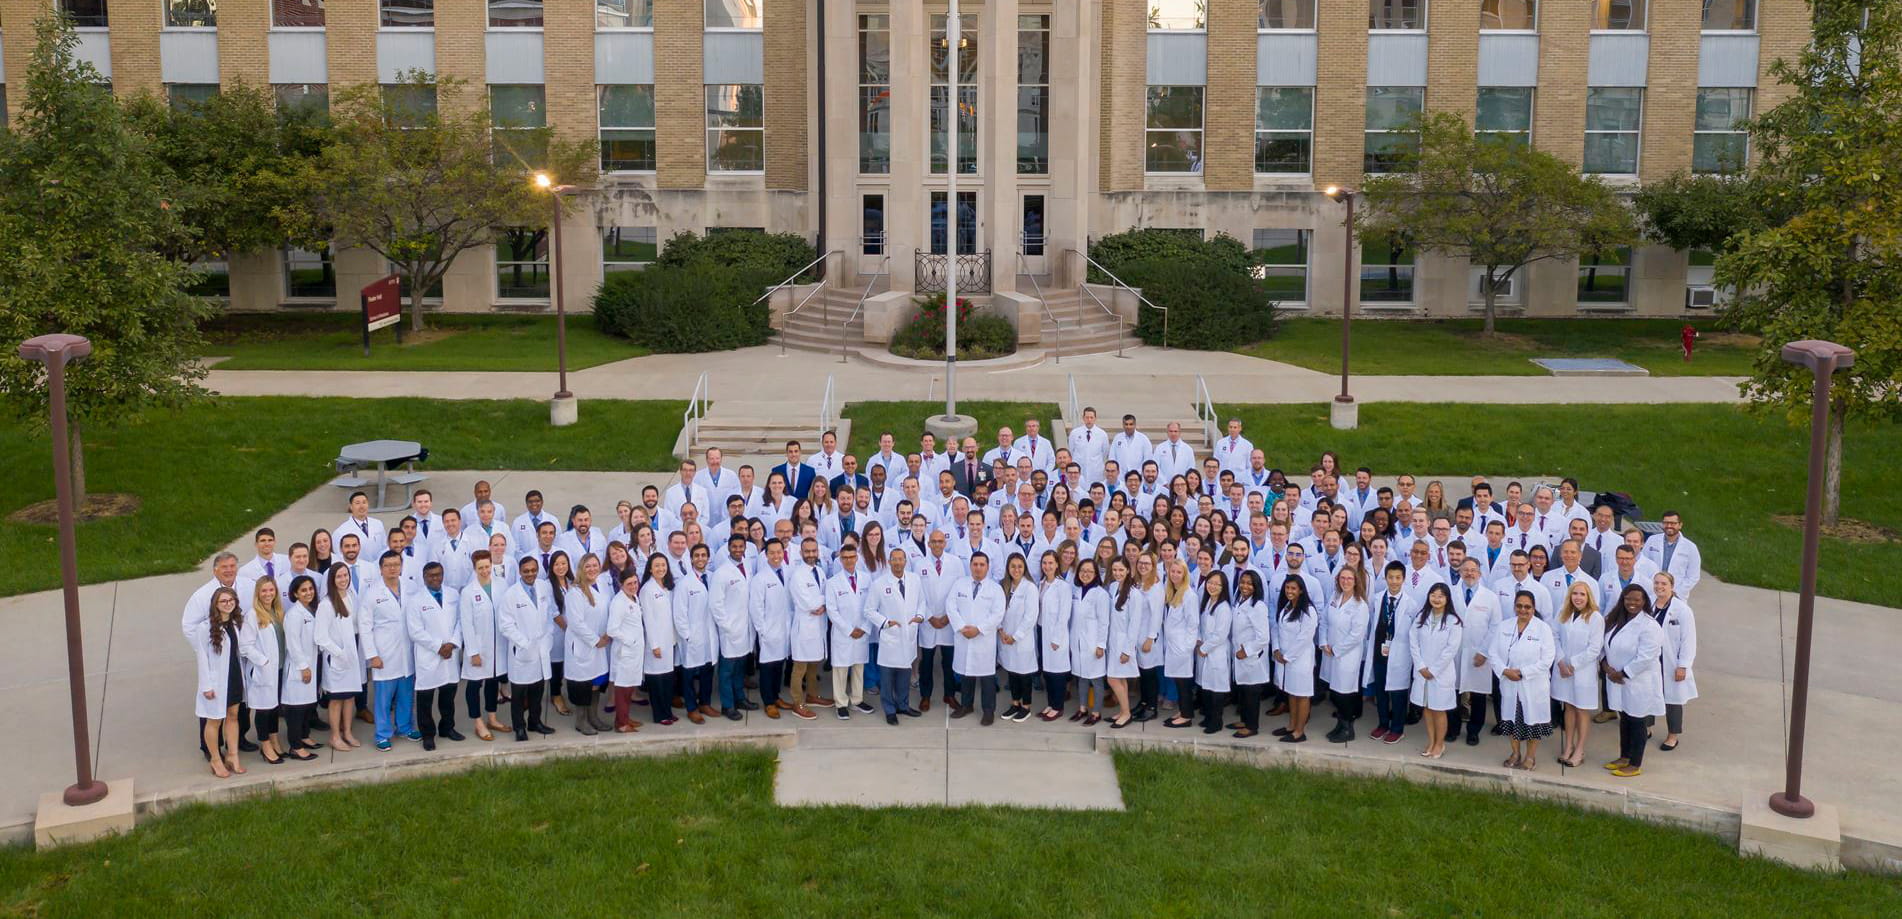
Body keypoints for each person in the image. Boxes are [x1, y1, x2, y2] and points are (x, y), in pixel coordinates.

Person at [1602, 584, 1665, 777]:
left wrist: (1622, 673)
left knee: (1637, 722)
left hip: (1638, 682)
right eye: (1628, 598)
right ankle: (1624, 757)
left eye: (1637, 599)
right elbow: (1605, 645)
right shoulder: (1616, 619)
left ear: (1644, 601)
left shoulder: (1649, 626)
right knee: (1625, 719)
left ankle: (1635, 764)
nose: (1632, 603)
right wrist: (1606, 666)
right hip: (1617, 679)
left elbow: (1646, 657)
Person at [1492, 590, 1557, 771]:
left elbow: (1547, 659)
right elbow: (1493, 653)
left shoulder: (1543, 629)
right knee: (1511, 720)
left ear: (1533, 608)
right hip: (1509, 682)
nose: (1523, 610)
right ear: (1514, 607)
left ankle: (1530, 756)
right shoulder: (1504, 626)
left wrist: (1522, 673)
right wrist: (1505, 671)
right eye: (1519, 606)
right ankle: (1515, 753)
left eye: (1527, 607)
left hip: (1533, 684)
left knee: (1533, 722)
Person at [361, 551, 419, 751]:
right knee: (384, 699)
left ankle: (405, 727)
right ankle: (382, 734)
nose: (392, 568)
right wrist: (372, 655)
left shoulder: (411, 588)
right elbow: (365, 626)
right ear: (381, 569)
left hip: (407, 651)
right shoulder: (372, 594)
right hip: (384, 653)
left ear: (401, 566)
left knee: (406, 694)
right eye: (388, 565)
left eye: (396, 564)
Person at [406, 562, 465, 750]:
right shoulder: (416, 600)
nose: (435, 578)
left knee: (448, 696)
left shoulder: (453, 595)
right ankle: (428, 735)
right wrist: (438, 647)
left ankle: (447, 727)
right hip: (429, 655)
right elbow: (415, 631)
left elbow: (461, 621)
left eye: (438, 574)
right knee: (425, 698)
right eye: (431, 575)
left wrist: (453, 643)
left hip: (450, 653)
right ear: (424, 577)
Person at [499, 556, 556, 741]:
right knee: (518, 694)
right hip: (522, 651)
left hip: (541, 648)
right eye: (526, 571)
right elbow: (505, 625)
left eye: (533, 570)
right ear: (520, 572)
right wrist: (523, 643)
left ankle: (535, 721)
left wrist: (548, 636)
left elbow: (549, 613)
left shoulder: (543, 587)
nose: (530, 574)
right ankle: (519, 727)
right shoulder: (511, 594)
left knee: (537, 690)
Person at [1550, 580, 1605, 768]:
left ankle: (1579, 750)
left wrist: (1572, 664)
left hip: (1582, 671)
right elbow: (1554, 636)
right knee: (1569, 707)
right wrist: (1560, 661)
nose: (1578, 598)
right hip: (1563, 669)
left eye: (1582, 594)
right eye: (1575, 593)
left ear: (1589, 596)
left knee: (1581, 709)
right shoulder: (1563, 612)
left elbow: (1595, 649)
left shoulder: (1595, 618)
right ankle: (1568, 746)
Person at [949, 552, 1007, 724]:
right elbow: (950, 606)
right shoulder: (959, 584)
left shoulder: (995, 589)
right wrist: (961, 627)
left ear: (988, 567)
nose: (978, 568)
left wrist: (979, 629)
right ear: (970, 566)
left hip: (983, 639)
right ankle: (966, 705)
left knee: (987, 677)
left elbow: (998, 614)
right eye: (975, 564)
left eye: (982, 564)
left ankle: (988, 711)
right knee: (966, 674)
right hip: (964, 636)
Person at [869, 546, 925, 724]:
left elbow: (921, 602)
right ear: (889, 562)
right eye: (894, 559)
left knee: (904, 674)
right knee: (887, 677)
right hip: (890, 637)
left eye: (901, 559)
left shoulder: (915, 579)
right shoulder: (879, 584)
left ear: (905, 561)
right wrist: (886, 623)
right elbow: (869, 610)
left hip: (909, 634)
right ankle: (890, 710)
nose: (898, 563)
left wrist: (919, 617)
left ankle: (903, 705)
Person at [558, 554, 613, 734]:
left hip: (601, 643)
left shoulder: (602, 585)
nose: (592, 569)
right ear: (581, 569)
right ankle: (581, 721)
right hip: (584, 644)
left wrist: (607, 634)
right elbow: (576, 623)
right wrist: (595, 640)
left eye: (595, 565)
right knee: (582, 684)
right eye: (587, 566)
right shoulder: (575, 592)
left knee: (596, 682)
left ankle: (593, 717)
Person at [195, 587, 247, 778]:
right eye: (223, 601)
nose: (228, 604)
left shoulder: (235, 623)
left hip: (234, 676)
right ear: (215, 605)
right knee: (214, 720)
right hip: (216, 682)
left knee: (233, 716)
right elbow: (202, 657)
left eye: (231, 600)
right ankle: (216, 759)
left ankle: (232, 755)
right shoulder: (205, 628)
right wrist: (206, 686)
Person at [1408, 583, 1463, 760]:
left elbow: (1451, 649)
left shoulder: (1454, 621)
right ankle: (1431, 742)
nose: (1436, 599)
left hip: (1440, 674)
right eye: (1433, 595)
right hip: (1422, 672)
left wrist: (1433, 670)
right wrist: (1420, 666)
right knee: (1426, 708)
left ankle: (1440, 744)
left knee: (1438, 710)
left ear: (1447, 599)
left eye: (1440, 596)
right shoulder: (1421, 617)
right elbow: (1413, 642)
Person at [1450, 558, 1501, 745]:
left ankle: (1473, 731)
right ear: (1460, 572)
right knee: (1453, 691)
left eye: (1473, 570)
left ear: (1479, 573)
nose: (1469, 573)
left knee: (1478, 694)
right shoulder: (1451, 593)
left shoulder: (1490, 597)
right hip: (1454, 652)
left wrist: (1484, 652)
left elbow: (1495, 627)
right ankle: (1453, 728)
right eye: (1466, 570)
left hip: (1479, 653)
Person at [1365, 562, 1415, 745]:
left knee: (1398, 693)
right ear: (1385, 578)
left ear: (1403, 579)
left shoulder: (1411, 604)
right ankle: (1383, 724)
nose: (1394, 581)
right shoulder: (1377, 599)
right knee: (1381, 691)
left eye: (1398, 578)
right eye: (1391, 577)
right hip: (1380, 653)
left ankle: (1397, 729)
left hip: (1400, 655)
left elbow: (1413, 633)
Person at [313, 563, 363, 751]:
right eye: (339, 576)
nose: (343, 579)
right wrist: (340, 653)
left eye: (345, 575)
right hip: (336, 658)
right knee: (336, 699)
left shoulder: (351, 597)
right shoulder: (326, 604)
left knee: (349, 697)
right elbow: (320, 637)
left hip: (351, 656)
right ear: (332, 580)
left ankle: (347, 733)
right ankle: (335, 737)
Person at [238, 578, 287, 766]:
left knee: (274, 708)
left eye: (271, 590)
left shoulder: (277, 612)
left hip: (279, 667)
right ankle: (265, 745)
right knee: (264, 709)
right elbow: (245, 646)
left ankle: (274, 740)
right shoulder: (253, 615)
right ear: (258, 593)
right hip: (264, 670)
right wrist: (263, 661)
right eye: (264, 591)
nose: (268, 594)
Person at [826, 543, 875, 719]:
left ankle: (857, 700)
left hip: (861, 631)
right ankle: (840, 703)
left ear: (857, 558)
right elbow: (832, 611)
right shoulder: (832, 582)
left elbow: (871, 605)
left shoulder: (866, 579)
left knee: (858, 667)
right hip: (843, 633)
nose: (849, 560)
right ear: (840, 559)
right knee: (840, 669)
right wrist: (849, 630)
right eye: (845, 558)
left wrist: (864, 627)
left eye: (852, 557)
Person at [709, 535, 756, 720]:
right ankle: (727, 705)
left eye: (741, 546)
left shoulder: (747, 566)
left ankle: (740, 698)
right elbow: (716, 604)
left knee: (740, 668)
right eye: (734, 546)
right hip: (730, 629)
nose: (738, 549)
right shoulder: (722, 573)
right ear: (728, 548)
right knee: (727, 670)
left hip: (745, 627)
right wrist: (727, 626)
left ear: (745, 548)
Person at [786, 538, 833, 720]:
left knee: (814, 664)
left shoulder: (819, 571)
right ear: (801, 553)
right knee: (800, 668)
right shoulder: (798, 576)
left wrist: (824, 604)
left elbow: (827, 594)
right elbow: (807, 603)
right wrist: (823, 602)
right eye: (807, 551)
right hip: (804, 627)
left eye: (814, 551)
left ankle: (812, 695)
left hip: (817, 625)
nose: (811, 554)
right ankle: (797, 703)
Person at [749, 539, 796, 719]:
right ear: (766, 555)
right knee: (768, 668)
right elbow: (756, 607)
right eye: (772, 553)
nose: (776, 556)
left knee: (779, 665)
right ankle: (768, 702)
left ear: (784, 553)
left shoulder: (789, 571)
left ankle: (776, 697)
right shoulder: (760, 578)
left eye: (779, 552)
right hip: (769, 630)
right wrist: (763, 631)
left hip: (785, 628)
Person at [673, 544, 720, 724]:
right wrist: (687, 636)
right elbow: (679, 613)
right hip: (692, 636)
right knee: (689, 674)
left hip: (710, 634)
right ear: (691, 559)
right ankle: (692, 708)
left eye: (704, 555)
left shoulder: (713, 578)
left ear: (708, 558)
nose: (701, 558)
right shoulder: (684, 583)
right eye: (697, 555)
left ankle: (705, 703)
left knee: (708, 670)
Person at [1652, 572, 1698, 752]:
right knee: (1649, 694)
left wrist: (1683, 665)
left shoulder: (1682, 610)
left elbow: (1688, 640)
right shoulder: (1649, 604)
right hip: (1652, 661)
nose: (1659, 587)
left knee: (1673, 700)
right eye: (1656, 583)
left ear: (1671, 586)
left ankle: (1673, 736)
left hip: (1671, 662)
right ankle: (1647, 727)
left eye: (1663, 583)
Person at [1322, 566, 1368, 743]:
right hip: (1330, 652)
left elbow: (1357, 635)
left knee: (1344, 694)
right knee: (1334, 691)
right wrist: (1324, 642)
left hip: (1347, 655)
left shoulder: (1360, 605)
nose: (1346, 581)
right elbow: (1324, 621)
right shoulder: (1335, 598)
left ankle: (1348, 729)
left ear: (1355, 581)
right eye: (1342, 578)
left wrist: (1336, 650)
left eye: (1349, 578)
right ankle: (1340, 725)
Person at [1272, 574, 1319, 744]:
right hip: (1285, 658)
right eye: (1287, 588)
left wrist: (1288, 656)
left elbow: (1305, 638)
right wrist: (1276, 649)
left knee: (1302, 695)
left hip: (1300, 660)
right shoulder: (1286, 606)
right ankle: (1291, 726)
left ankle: (1300, 731)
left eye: (1293, 588)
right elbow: (1277, 629)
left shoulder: (1308, 611)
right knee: (1291, 692)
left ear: (1301, 590)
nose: (1289, 591)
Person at [637, 553, 681, 726]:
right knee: (657, 681)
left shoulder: (668, 587)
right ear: (650, 569)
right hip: (656, 643)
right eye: (656, 566)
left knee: (667, 679)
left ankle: (667, 711)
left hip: (669, 640)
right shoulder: (647, 589)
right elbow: (648, 619)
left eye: (663, 565)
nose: (660, 568)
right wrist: (654, 645)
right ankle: (659, 714)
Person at [997, 553, 1041, 721]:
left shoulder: (1030, 588)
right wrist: (1001, 630)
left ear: (1025, 568)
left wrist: (1015, 637)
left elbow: (1031, 617)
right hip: (1005, 636)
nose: (1016, 570)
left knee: (1024, 674)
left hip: (1021, 639)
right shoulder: (1004, 586)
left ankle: (1026, 707)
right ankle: (1015, 704)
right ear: (1008, 568)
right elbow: (998, 610)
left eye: (1020, 566)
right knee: (1012, 672)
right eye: (1013, 566)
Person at [1227, 570, 1271, 738]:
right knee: (1244, 691)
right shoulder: (1240, 601)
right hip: (1240, 655)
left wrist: (1246, 651)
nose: (1245, 586)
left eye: (1249, 583)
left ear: (1256, 586)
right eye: (1242, 582)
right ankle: (1244, 720)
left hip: (1251, 658)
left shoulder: (1258, 606)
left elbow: (1263, 638)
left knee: (1252, 693)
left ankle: (1252, 726)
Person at [1159, 559, 1199, 729]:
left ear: (1184, 574)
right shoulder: (1171, 592)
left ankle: (1186, 716)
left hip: (1182, 647)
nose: (1175, 574)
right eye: (1172, 571)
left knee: (1183, 683)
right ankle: (1183, 710)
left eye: (1179, 572)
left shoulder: (1189, 595)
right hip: (1172, 645)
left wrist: (1186, 648)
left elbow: (1193, 624)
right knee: (1177, 681)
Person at [605, 569, 647, 733]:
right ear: (620, 584)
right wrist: (630, 641)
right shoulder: (618, 603)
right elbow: (612, 630)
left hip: (634, 652)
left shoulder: (634, 597)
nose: (633, 586)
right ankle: (621, 724)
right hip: (625, 652)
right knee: (623, 689)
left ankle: (625, 718)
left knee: (629, 687)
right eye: (629, 584)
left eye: (635, 582)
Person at [1070, 559, 1111, 725]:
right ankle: (1082, 708)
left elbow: (1104, 622)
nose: (1085, 574)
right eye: (1082, 571)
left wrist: (1101, 645)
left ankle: (1096, 712)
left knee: (1096, 679)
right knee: (1081, 677)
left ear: (1096, 574)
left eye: (1089, 571)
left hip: (1093, 643)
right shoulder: (1076, 591)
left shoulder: (1101, 594)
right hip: (1078, 642)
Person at [1641, 511, 1702, 598]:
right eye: (1666, 523)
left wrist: (1677, 592)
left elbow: (1693, 576)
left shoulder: (1690, 547)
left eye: (1673, 523)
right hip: (1652, 591)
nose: (1669, 526)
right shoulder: (1652, 540)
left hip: (1676, 594)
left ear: (1680, 525)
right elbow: (1643, 564)